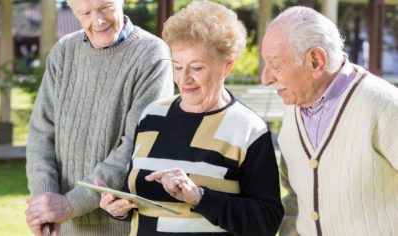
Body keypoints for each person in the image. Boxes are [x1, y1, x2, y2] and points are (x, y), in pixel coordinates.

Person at [97, 1, 284, 235]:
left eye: (196, 68)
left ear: (227, 66)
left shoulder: (248, 129)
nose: (183, 79)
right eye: (177, 66)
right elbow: (140, 194)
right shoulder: (152, 116)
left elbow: (266, 222)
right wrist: (119, 208)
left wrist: (199, 197)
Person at [24, 0, 174, 235]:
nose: (98, 21)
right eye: (85, 13)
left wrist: (72, 204)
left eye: (105, 7)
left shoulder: (152, 54)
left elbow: (138, 145)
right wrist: (44, 201)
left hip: (122, 227)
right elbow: (41, 133)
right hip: (63, 226)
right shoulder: (63, 51)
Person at [261, 6, 398, 236]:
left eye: (275, 65)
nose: (265, 78)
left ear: (316, 61)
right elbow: (296, 199)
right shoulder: (294, 105)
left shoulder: (384, 104)